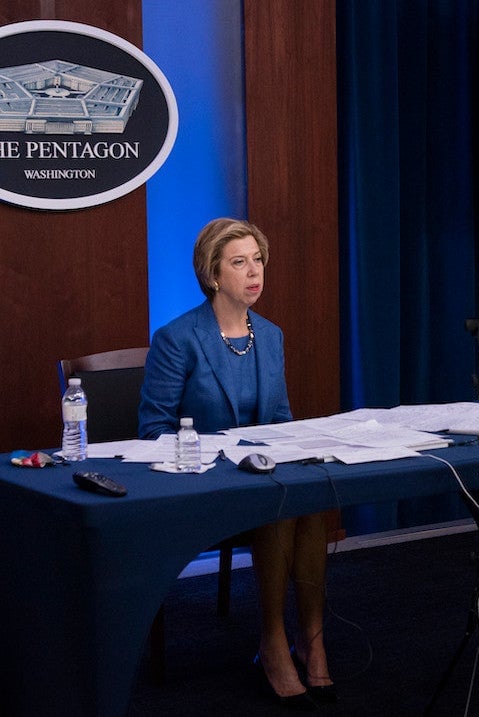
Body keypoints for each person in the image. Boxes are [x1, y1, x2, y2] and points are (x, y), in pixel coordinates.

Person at [139, 218, 335, 710]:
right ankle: (272, 641)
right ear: (212, 274)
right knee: (277, 500)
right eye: (239, 262)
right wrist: (221, 453)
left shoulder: (270, 335)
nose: (254, 272)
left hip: (258, 473)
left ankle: (311, 640)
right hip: (202, 480)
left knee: (308, 494)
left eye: (259, 260)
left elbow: (280, 420)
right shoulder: (178, 338)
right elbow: (153, 431)